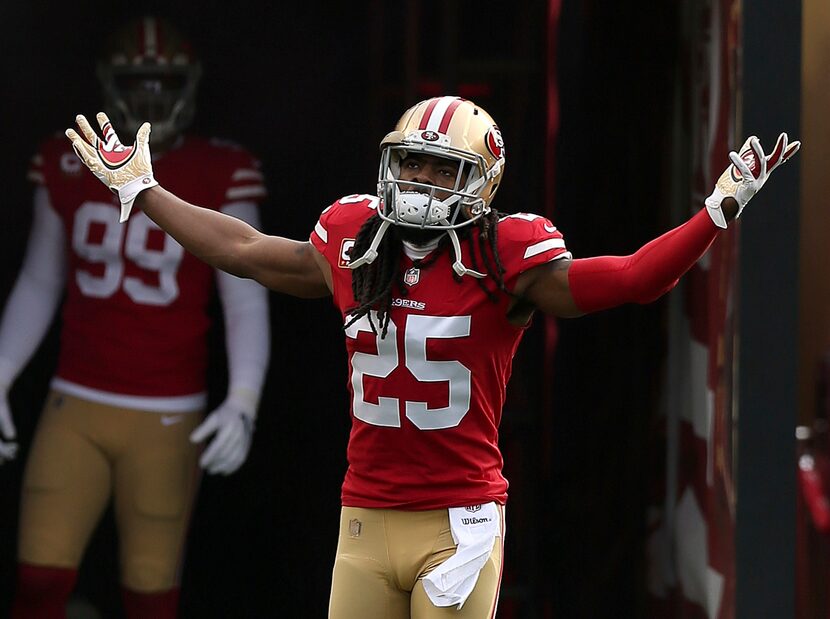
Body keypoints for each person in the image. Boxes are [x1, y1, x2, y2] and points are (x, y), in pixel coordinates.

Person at [65, 95, 799, 618]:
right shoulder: (354, 241)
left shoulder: (505, 255)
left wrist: (715, 211)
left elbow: (636, 278)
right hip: (365, 514)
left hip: (458, 521)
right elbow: (247, 250)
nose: (419, 182)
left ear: (481, 183)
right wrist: (147, 190)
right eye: (411, 163)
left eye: (441, 170)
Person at [1, 16, 271, 619]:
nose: (151, 96)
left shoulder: (220, 170)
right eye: (137, 81)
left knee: (151, 596)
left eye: (163, 82)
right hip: (76, 398)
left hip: (169, 413)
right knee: (39, 583)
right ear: (106, 82)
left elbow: (245, 290)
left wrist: (245, 398)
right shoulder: (66, 160)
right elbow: (42, 279)